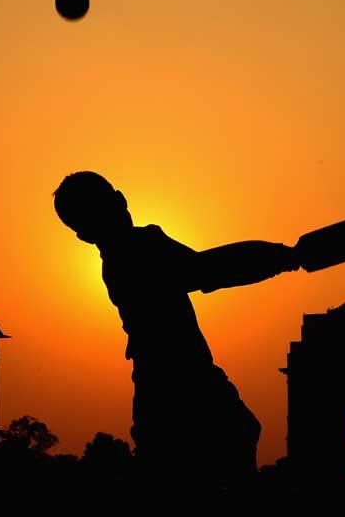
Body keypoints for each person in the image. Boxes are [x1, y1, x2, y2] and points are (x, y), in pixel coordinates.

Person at [53, 171, 300, 485]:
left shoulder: (129, 253)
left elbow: (202, 269)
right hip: (178, 383)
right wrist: (283, 257)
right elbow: (205, 271)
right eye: (105, 207)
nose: (118, 209)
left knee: (233, 434)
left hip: (165, 387)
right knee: (230, 438)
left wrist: (281, 257)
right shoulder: (136, 251)